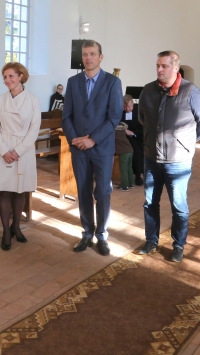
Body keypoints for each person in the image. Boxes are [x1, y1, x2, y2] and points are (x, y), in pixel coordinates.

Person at [136, 50, 200, 261]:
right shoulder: (148, 91)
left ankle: (178, 245)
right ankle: (151, 240)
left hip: (178, 161)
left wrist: (184, 143)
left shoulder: (191, 92)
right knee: (150, 203)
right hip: (152, 157)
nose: (159, 69)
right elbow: (142, 118)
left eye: (164, 66)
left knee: (178, 206)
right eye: (157, 65)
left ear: (175, 68)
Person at [62, 40, 122, 256]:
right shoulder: (73, 82)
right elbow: (66, 116)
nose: (88, 58)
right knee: (83, 191)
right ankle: (87, 233)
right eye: (85, 54)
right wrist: (75, 139)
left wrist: (93, 140)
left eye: (92, 54)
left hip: (102, 148)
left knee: (103, 192)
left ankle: (102, 235)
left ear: (100, 57)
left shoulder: (112, 82)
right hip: (79, 148)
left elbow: (114, 117)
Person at [0, 62, 41, 251]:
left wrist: (18, 151)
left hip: (23, 151)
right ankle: (5, 231)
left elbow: (34, 129)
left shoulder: (33, 100)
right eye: (5, 77)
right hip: (3, 149)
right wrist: (4, 151)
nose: (7, 80)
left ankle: (16, 226)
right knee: (5, 191)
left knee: (20, 190)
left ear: (21, 76)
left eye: (11, 76)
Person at [120, 94, 144, 186]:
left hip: (137, 137)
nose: (127, 109)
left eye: (129, 106)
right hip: (124, 137)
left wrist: (133, 133)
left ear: (133, 104)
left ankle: (138, 175)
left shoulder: (138, 111)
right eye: (125, 107)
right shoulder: (121, 112)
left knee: (137, 152)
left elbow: (142, 127)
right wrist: (124, 131)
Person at [114, 122, 134, 191]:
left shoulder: (114, 132)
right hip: (130, 150)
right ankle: (131, 183)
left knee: (123, 169)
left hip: (123, 151)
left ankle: (124, 186)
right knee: (129, 167)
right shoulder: (122, 131)